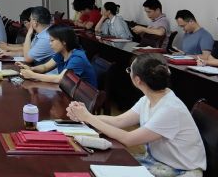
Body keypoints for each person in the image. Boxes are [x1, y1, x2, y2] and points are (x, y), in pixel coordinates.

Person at [67, 54, 206, 177]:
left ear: (137, 80)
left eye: (129, 70)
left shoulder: (170, 109)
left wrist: (89, 117)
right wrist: (83, 116)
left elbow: (129, 139)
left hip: (180, 170)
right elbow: (119, 120)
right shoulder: (150, 98)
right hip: (158, 162)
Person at [17, 25, 97, 86]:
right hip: (69, 90)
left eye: (52, 40)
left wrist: (33, 75)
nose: (50, 44)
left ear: (64, 41)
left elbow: (61, 78)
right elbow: (45, 67)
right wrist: (31, 69)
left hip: (84, 97)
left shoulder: (77, 57)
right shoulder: (61, 53)